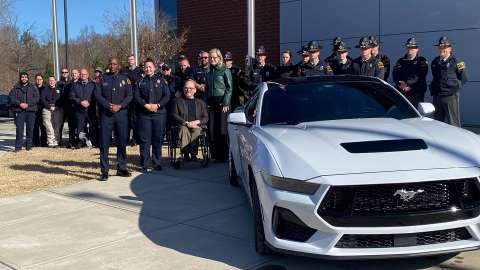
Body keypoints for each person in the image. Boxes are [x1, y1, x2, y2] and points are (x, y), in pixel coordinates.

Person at [94, 57, 133, 181]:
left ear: (119, 65)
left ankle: (121, 168)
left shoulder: (125, 79)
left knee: (121, 141)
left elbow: (130, 95)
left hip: (121, 114)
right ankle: (104, 171)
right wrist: (108, 105)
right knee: (104, 143)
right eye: (110, 64)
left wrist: (120, 106)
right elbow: (97, 95)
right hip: (106, 114)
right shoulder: (102, 78)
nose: (112, 66)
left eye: (114, 64)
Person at [134, 58, 170, 173]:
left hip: (158, 114)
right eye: (146, 67)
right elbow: (137, 96)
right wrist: (146, 105)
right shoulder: (140, 81)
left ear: (154, 68)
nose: (148, 69)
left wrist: (158, 105)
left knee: (157, 139)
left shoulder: (161, 80)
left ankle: (157, 162)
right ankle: (144, 164)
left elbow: (167, 96)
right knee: (145, 140)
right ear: (143, 69)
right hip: (144, 114)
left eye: (150, 67)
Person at [429, 37, 468, 127]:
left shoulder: (458, 62)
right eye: (440, 47)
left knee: (453, 123)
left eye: (444, 47)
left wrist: (453, 90)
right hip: (437, 97)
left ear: (450, 48)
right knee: (438, 123)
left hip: (451, 98)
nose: (442, 49)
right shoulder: (435, 62)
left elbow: (464, 78)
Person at [171, 79, 209, 162]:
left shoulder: (201, 102)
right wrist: (186, 122)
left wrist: (197, 122)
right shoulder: (178, 101)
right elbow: (174, 114)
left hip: (197, 125)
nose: (188, 90)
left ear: (195, 90)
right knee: (184, 130)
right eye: (186, 88)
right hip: (183, 125)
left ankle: (193, 155)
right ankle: (186, 154)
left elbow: (206, 117)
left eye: (191, 88)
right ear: (183, 89)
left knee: (196, 130)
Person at [206, 48, 232, 162]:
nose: (212, 59)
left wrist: (226, 102)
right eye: (211, 57)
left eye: (214, 57)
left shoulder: (224, 70)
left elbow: (229, 88)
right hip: (211, 103)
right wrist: (206, 102)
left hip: (222, 103)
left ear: (219, 58)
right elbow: (207, 88)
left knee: (222, 130)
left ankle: (224, 156)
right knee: (212, 130)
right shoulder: (209, 72)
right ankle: (215, 155)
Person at [392, 38, 429, 108]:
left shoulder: (421, 61)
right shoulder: (400, 61)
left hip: (416, 93)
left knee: (416, 116)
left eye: (413, 47)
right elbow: (395, 74)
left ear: (417, 49)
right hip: (402, 93)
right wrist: (400, 84)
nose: (410, 49)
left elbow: (421, 76)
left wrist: (409, 86)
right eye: (408, 47)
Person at [9, 71, 40, 152]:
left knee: (30, 129)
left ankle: (29, 146)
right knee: (19, 129)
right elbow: (11, 98)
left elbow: (37, 98)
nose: (24, 78)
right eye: (22, 77)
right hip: (19, 111)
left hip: (31, 111)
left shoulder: (33, 87)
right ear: (20, 78)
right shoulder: (15, 87)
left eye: (25, 77)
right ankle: (18, 147)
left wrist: (28, 104)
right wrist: (20, 104)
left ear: (28, 78)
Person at [70, 68, 96, 148]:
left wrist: (89, 102)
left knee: (92, 126)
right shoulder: (75, 85)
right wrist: (80, 101)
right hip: (79, 110)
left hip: (90, 110)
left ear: (88, 75)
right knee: (80, 128)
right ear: (79, 75)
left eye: (85, 74)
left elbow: (96, 95)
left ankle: (93, 142)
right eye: (81, 74)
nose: (83, 76)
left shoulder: (93, 84)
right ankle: (81, 142)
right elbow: (72, 96)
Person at [41, 75, 64, 147]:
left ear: (55, 81)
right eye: (50, 80)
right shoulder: (45, 89)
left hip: (57, 110)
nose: (51, 82)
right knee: (48, 126)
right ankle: (50, 141)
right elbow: (43, 99)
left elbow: (61, 100)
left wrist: (55, 107)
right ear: (48, 81)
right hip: (46, 109)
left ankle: (56, 140)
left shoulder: (59, 89)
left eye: (53, 80)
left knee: (56, 126)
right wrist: (49, 106)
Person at [63, 69, 80, 148]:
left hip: (79, 108)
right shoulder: (68, 84)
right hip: (70, 108)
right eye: (72, 73)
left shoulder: (81, 84)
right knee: (71, 126)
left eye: (75, 73)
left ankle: (79, 142)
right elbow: (65, 96)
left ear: (78, 74)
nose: (74, 75)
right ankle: (71, 142)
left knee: (79, 126)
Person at [33, 73, 47, 147]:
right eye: (37, 79)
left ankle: (44, 143)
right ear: (35, 80)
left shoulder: (45, 88)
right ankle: (35, 143)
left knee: (43, 127)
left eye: (40, 79)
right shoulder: (32, 88)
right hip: (34, 111)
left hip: (43, 110)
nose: (38, 81)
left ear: (42, 80)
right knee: (35, 127)